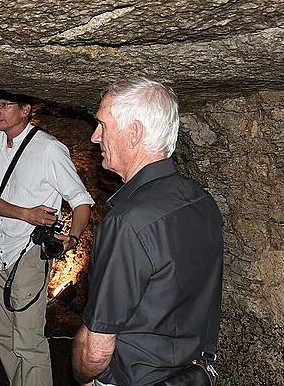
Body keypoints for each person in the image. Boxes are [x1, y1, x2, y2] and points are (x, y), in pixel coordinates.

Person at [72, 78, 223, 386]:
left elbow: (97, 348)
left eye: (102, 125)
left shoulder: (127, 222)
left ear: (135, 133)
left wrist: (83, 377)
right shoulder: (202, 201)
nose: (94, 136)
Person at [0, 94, 94, 386]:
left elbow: (81, 201)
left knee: (28, 339)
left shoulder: (50, 149)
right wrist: (25, 213)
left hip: (30, 250)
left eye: (5, 105)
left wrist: (73, 239)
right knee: (1, 335)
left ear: (25, 110)